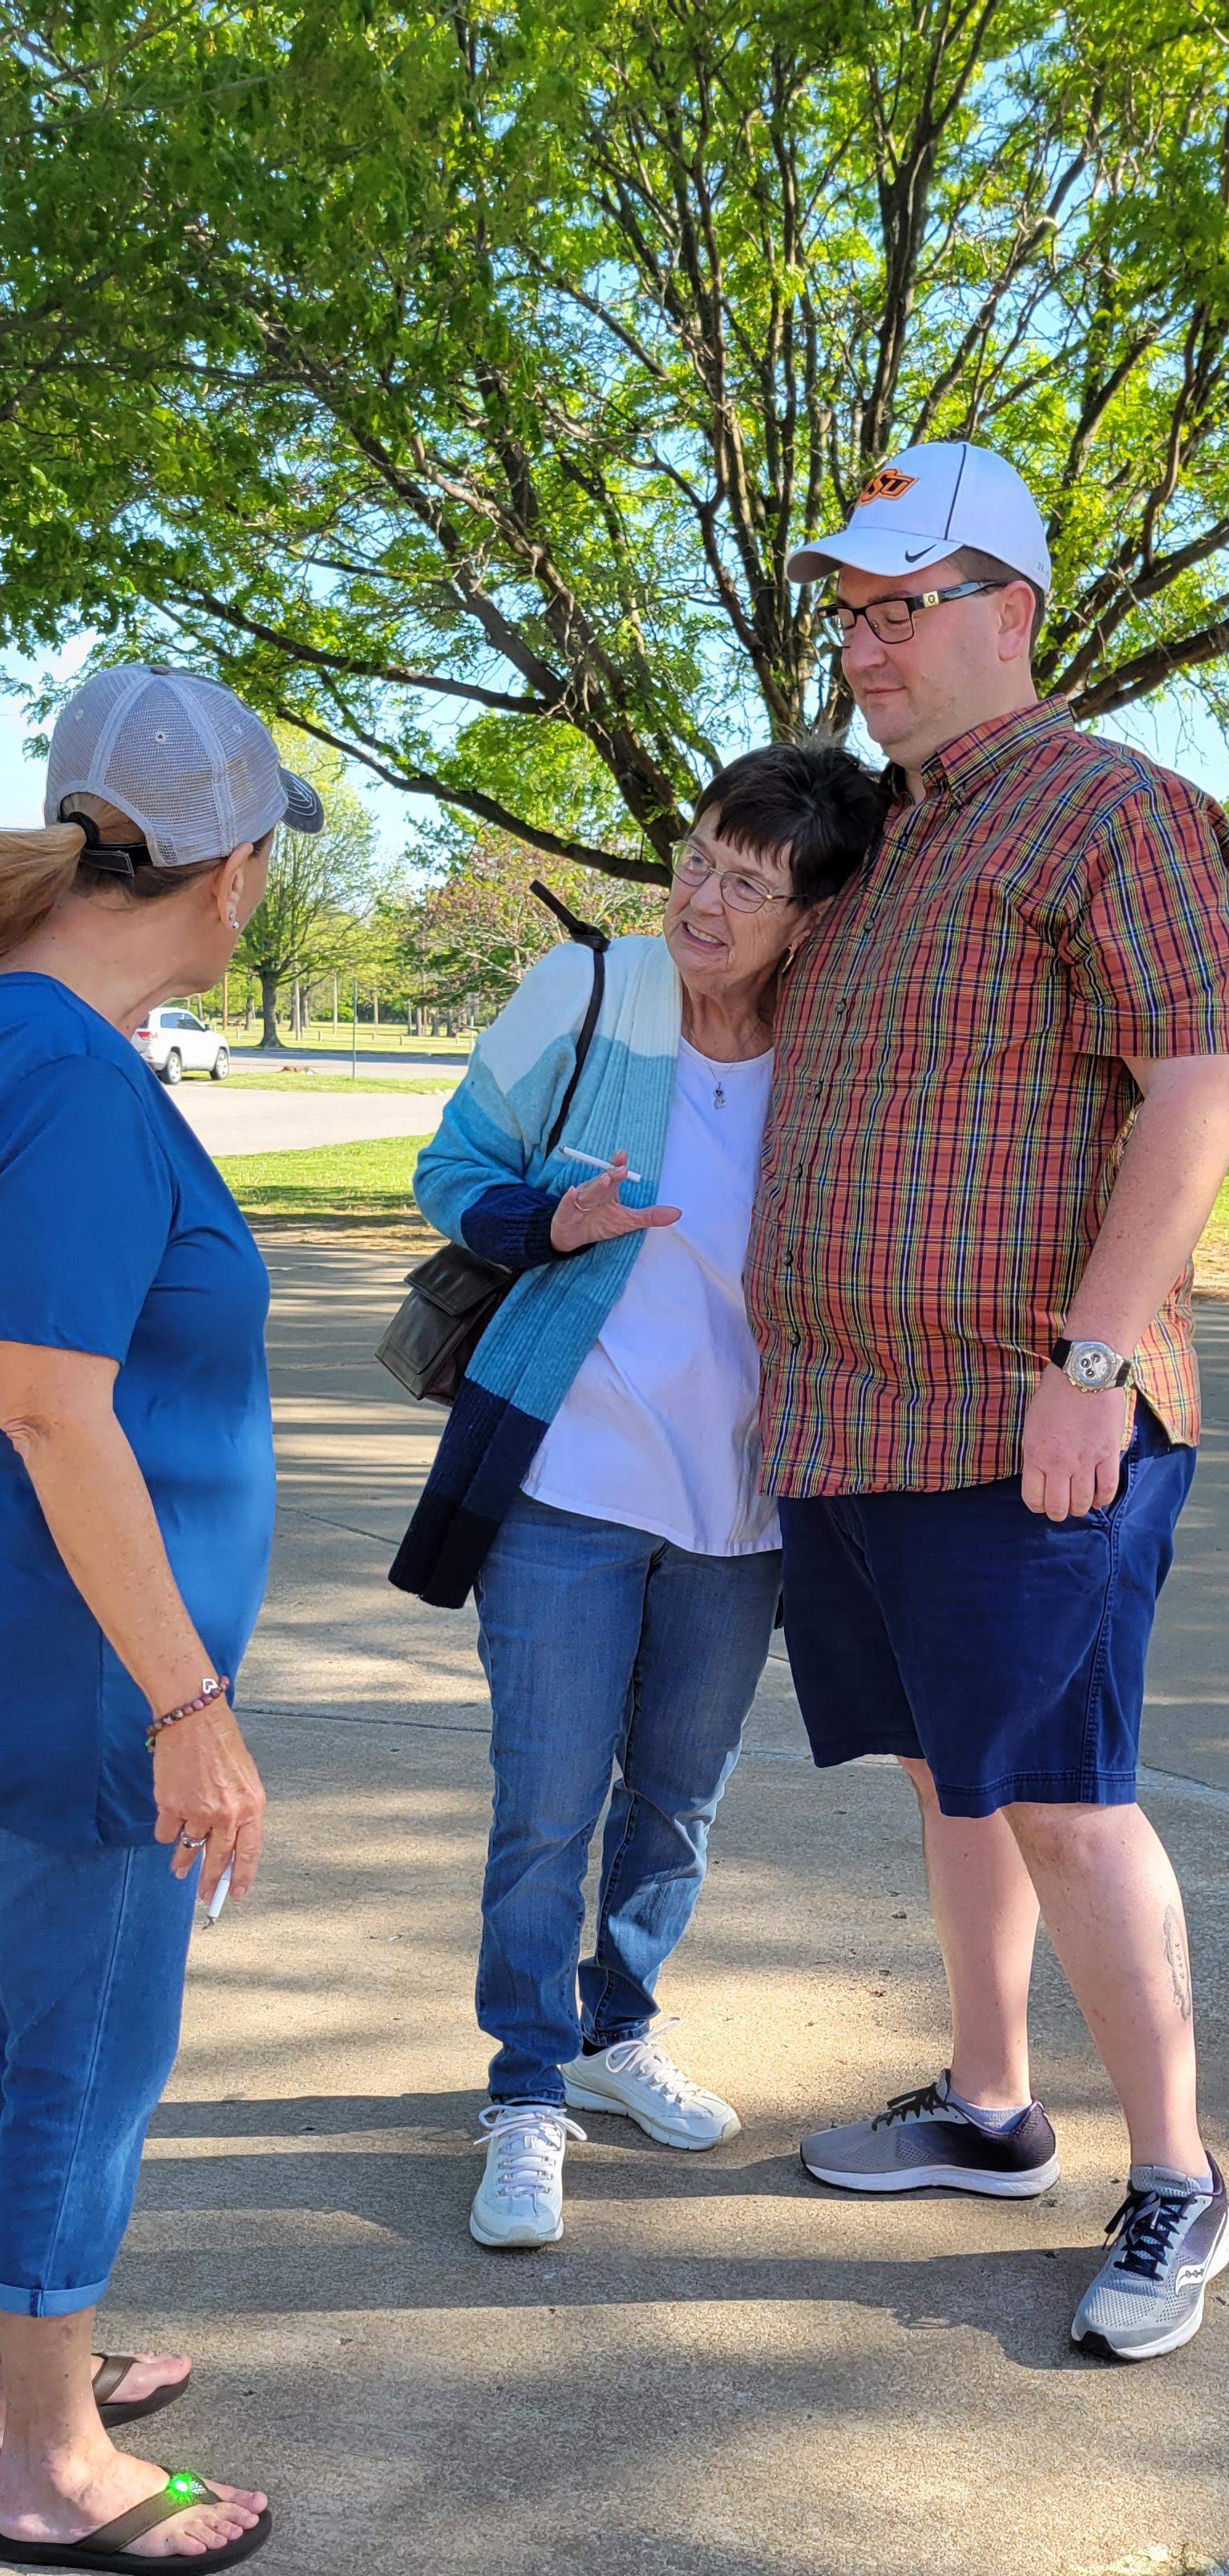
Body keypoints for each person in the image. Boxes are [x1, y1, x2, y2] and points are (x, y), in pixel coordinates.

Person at [745, 441, 1229, 2361]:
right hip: (850, 1422)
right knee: (946, 1776)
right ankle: (985, 2108)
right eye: (853, 612)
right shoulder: (883, 832)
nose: (869, 644)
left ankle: (1181, 2178)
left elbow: (1197, 1091)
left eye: (907, 605)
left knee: (1058, 1794)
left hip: (1027, 1419)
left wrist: (1093, 1360)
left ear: (1009, 612)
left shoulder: (1112, 813)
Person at [390, 746, 882, 2254]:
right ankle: (526, 2088)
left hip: (743, 1501)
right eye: (697, 859)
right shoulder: (592, 990)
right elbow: (448, 1167)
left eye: (751, 880)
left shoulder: (834, 1038)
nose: (705, 900)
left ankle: (617, 2029)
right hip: (570, 1474)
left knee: (675, 1799)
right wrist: (551, 1218)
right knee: (547, 1807)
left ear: (817, 912)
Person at [0, 662, 324, 2576]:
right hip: (82, 1683)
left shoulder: (34, 1046)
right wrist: (187, 1701)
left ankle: (29, 2365)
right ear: (232, 874)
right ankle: (40, 2464)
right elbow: (48, 1400)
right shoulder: (70, 1073)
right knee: (82, 2054)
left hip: (48, 1652)